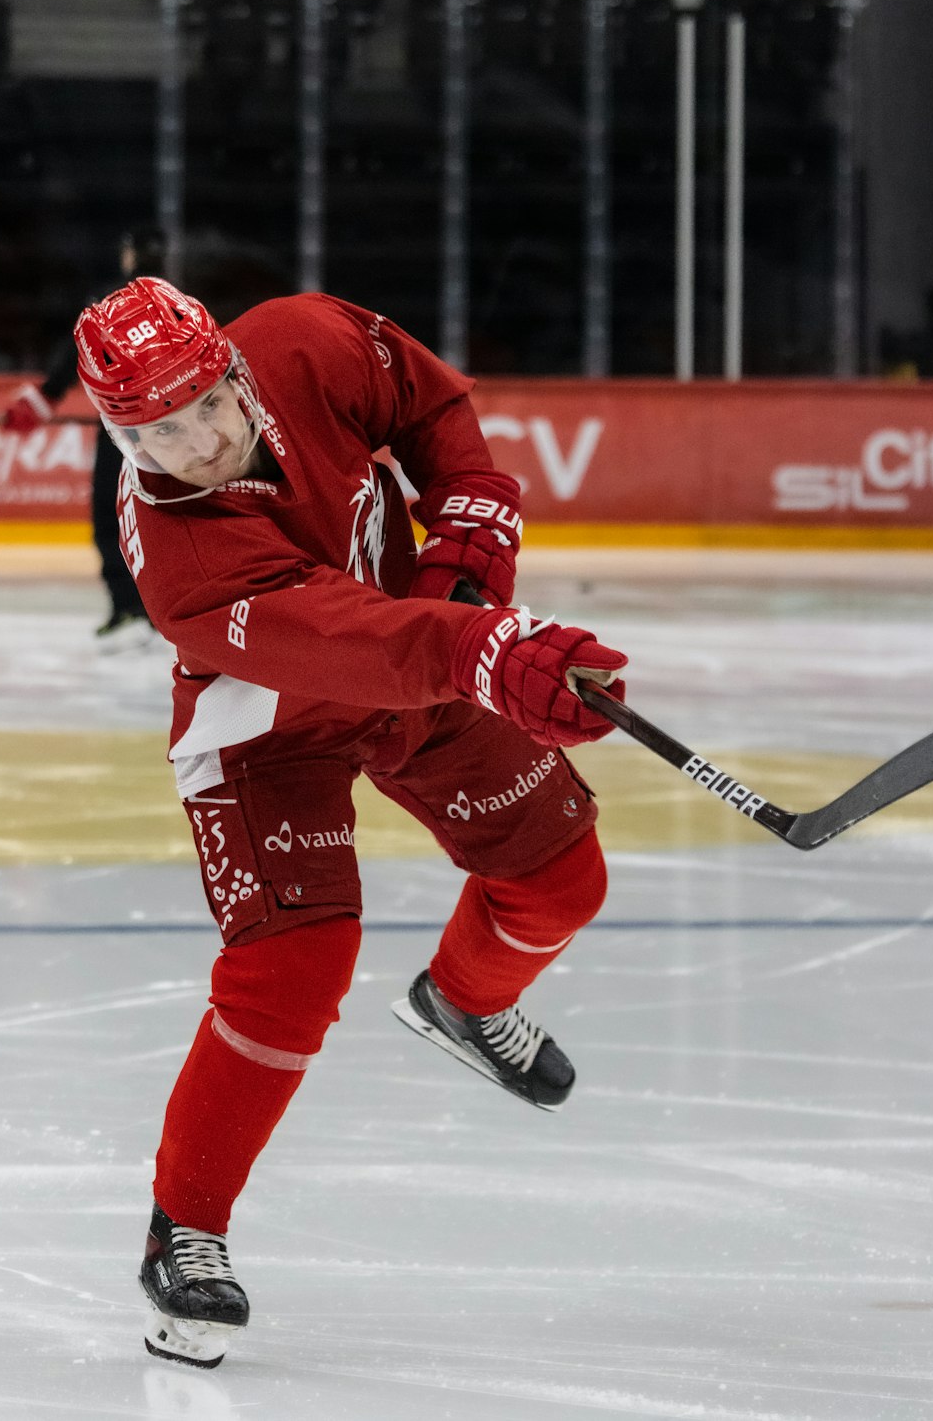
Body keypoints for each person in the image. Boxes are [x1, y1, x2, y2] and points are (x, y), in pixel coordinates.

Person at [73, 276, 628, 1370]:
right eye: (152, 433)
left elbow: (428, 406)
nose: (191, 446)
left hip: (420, 661)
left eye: (204, 410)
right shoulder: (182, 561)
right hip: (269, 733)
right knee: (294, 968)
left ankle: (464, 1005)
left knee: (563, 881)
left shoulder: (302, 341)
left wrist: (468, 514)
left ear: (235, 369)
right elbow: (350, 639)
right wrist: (486, 651)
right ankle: (183, 1229)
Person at [3, 230, 166, 650]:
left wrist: (46, 396)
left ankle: (131, 607)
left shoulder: (112, 301)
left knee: (111, 518)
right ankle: (159, 610)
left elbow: (80, 350)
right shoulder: (180, 302)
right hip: (170, 426)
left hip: (124, 427)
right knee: (166, 518)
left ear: (130, 255)